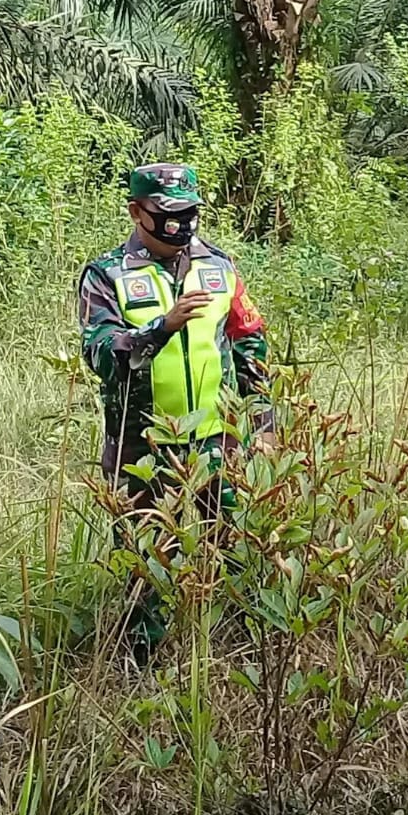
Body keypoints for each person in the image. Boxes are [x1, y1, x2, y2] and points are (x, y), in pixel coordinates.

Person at [78, 163, 274, 660]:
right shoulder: (107, 275)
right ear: (137, 212)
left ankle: (242, 656)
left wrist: (264, 419)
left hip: (219, 437)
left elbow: (249, 341)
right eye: (169, 215)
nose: (182, 225)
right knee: (145, 557)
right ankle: (142, 663)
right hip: (143, 441)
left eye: (190, 213)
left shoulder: (219, 265)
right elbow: (101, 354)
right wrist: (159, 329)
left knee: (236, 549)